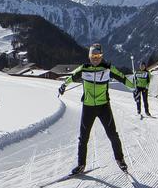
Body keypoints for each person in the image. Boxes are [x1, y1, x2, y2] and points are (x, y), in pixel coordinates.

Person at [58, 43, 135, 174]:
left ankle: (120, 160)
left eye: (98, 55)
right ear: (89, 56)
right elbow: (71, 77)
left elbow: (122, 77)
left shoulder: (107, 69)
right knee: (83, 138)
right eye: (93, 55)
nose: (96, 58)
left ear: (101, 56)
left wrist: (134, 88)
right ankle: (81, 165)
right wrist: (63, 86)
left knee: (112, 135)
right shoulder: (84, 69)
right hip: (88, 107)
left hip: (103, 106)